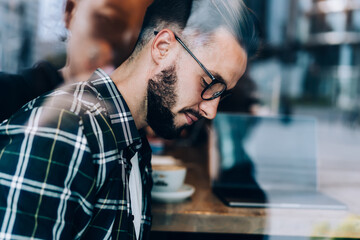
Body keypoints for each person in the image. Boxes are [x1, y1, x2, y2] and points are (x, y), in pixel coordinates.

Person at [0, 0, 259, 239]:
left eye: (220, 95)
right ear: (163, 47)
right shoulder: (62, 133)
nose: (211, 111)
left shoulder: (132, 143)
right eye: (209, 83)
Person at [0, 0, 153, 122]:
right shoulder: (8, 96)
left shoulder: (132, 125)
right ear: (69, 11)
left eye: (141, 38)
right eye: (108, 21)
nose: (126, 46)